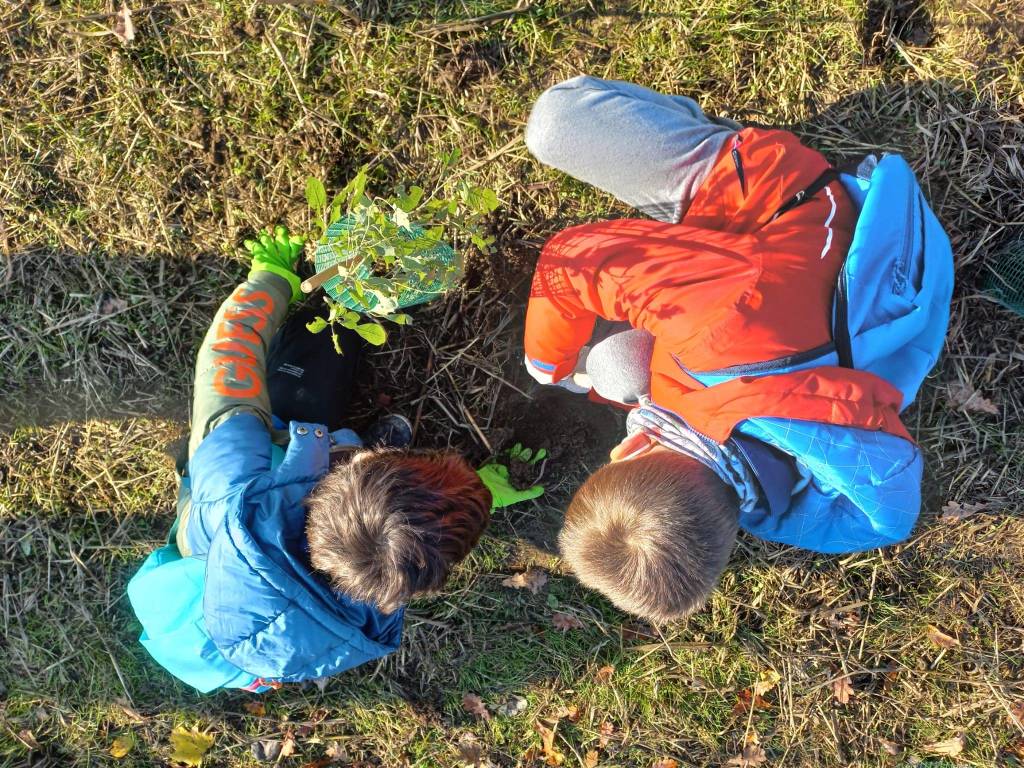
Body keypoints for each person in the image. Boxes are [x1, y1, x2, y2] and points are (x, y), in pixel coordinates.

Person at [522, 76, 953, 623]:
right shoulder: (718, 329)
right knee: (556, 124)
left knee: (618, 369)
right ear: (627, 452)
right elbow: (572, 258)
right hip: (766, 200)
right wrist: (547, 363)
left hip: (815, 304)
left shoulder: (801, 479)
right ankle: (714, 137)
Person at [127, 227, 529, 693]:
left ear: (346, 474)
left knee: (315, 354)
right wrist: (479, 497)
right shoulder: (380, 593)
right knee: (324, 352)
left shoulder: (232, 473)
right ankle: (335, 427)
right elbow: (227, 357)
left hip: (230, 531)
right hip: (248, 576)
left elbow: (230, 352)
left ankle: (330, 428)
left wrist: (270, 280)